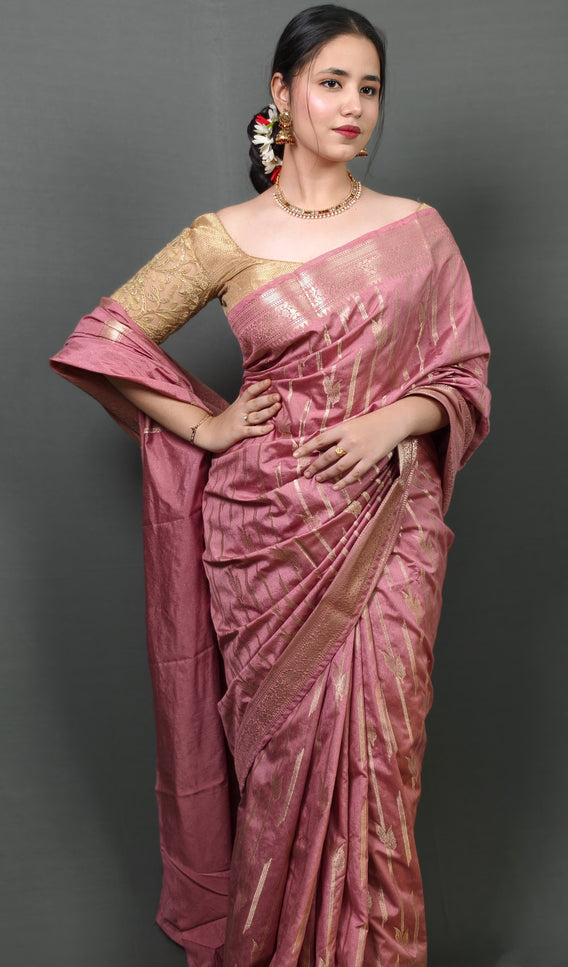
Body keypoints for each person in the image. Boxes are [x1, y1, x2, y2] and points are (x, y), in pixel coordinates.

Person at [51, 5, 491, 965]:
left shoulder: (417, 231)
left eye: (369, 87)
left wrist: (392, 421)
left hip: (388, 524)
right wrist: (205, 426)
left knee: (379, 759)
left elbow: (464, 375)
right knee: (285, 760)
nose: (353, 105)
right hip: (263, 538)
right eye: (331, 83)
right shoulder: (225, 237)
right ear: (281, 95)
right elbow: (105, 338)